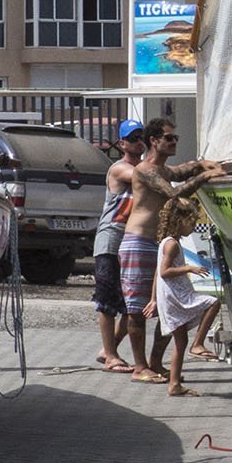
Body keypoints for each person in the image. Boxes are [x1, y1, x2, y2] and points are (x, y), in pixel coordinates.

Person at [120, 117, 222, 382]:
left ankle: (154, 362)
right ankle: (139, 367)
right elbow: (173, 193)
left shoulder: (164, 169)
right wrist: (204, 176)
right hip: (138, 241)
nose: (175, 141)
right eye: (169, 138)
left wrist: (202, 164)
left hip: (157, 244)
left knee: (166, 306)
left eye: (175, 137)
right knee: (137, 308)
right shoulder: (145, 170)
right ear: (153, 141)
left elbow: (181, 171)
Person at [144, 197, 217, 399]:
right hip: (177, 297)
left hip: (171, 297)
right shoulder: (172, 245)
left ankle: (174, 384)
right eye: (191, 222)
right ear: (178, 221)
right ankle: (199, 343)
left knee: (180, 341)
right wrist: (189, 267)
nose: (193, 227)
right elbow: (165, 271)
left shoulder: (167, 242)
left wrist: (153, 299)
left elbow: (157, 272)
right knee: (213, 302)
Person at [93, 119, 144, 372]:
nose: (139, 141)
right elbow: (141, 177)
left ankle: (108, 348)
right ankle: (111, 356)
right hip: (111, 238)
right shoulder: (119, 168)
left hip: (132, 241)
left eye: (142, 136)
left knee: (132, 303)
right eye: (133, 138)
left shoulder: (147, 168)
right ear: (122, 143)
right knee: (106, 300)